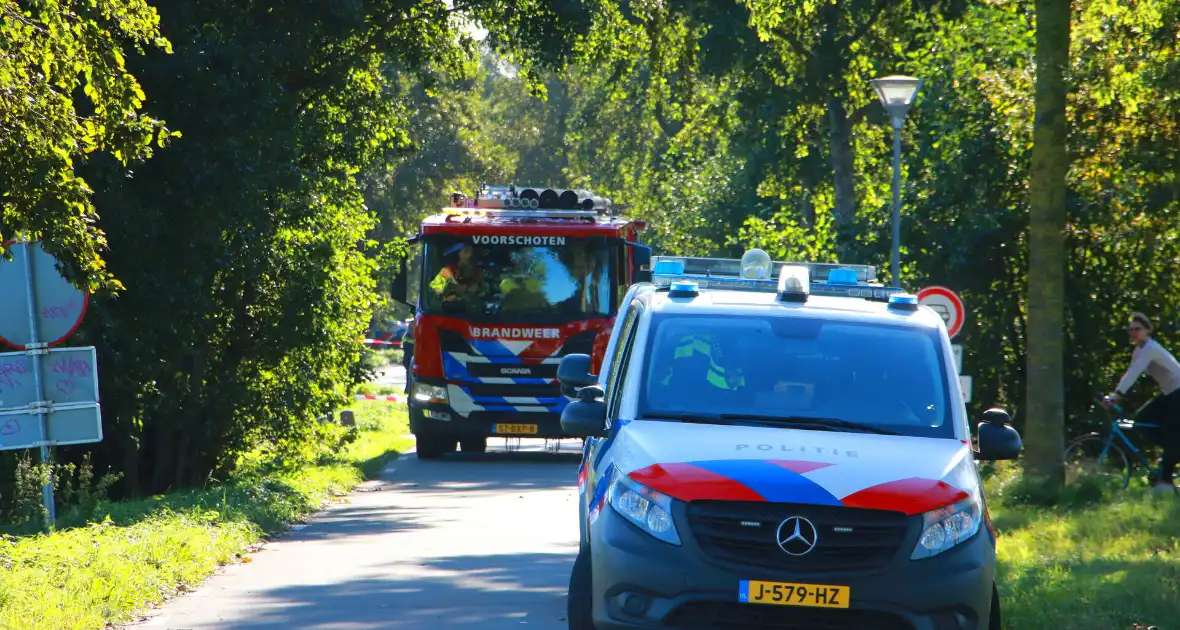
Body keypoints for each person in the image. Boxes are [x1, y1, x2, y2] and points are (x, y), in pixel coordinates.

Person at [1101, 312, 1180, 494]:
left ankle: (1165, 482)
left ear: (1147, 330)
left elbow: (1134, 373)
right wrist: (1116, 394)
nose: (1134, 333)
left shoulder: (1150, 348)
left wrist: (1116, 395)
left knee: (1172, 435)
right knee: (1141, 422)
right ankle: (1171, 456)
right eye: (1131, 330)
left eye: (1138, 329)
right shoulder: (1139, 351)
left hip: (1178, 392)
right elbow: (1129, 374)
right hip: (1169, 393)